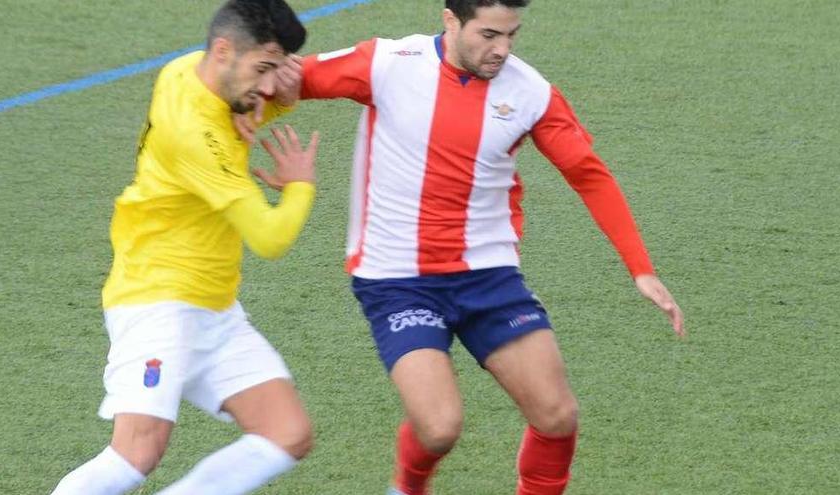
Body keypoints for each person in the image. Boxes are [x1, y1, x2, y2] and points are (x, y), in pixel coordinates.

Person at [237, 0, 686, 493]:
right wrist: (249, 99)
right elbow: (288, 82)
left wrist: (640, 269)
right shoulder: (389, 63)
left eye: (512, 35)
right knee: (439, 427)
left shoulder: (532, 93)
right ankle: (406, 489)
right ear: (451, 20)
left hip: (488, 276)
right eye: (489, 35)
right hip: (397, 280)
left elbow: (588, 175)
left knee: (557, 416)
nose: (502, 49)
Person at [50, 1, 320, 494]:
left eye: (272, 71)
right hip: (156, 299)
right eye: (262, 70)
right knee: (137, 451)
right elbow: (270, 237)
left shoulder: (183, 72)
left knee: (288, 433)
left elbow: (243, 101)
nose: (266, 85)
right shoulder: (196, 135)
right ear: (223, 51)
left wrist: (272, 98)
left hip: (213, 306)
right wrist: (299, 184)